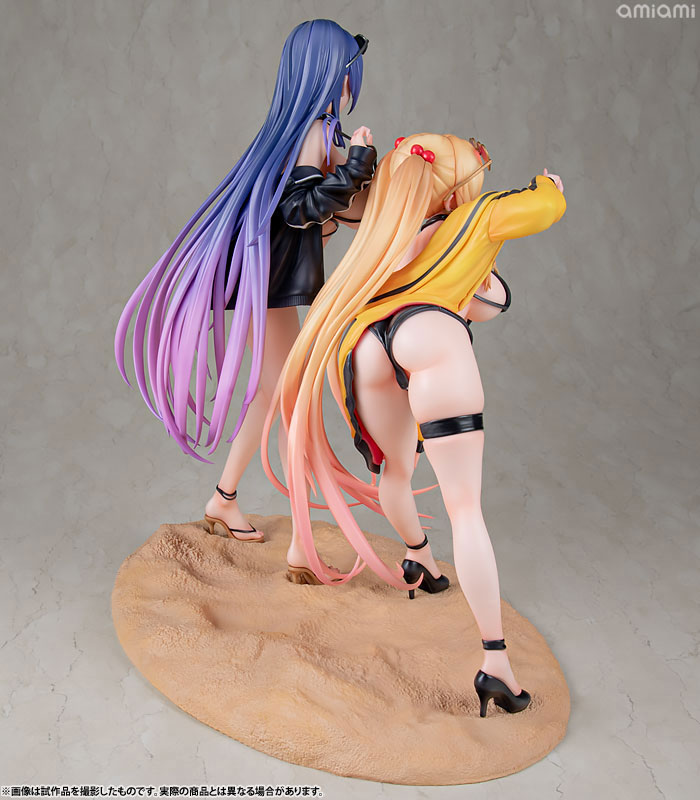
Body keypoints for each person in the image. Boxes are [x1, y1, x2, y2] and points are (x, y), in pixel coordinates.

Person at [264, 133, 566, 716]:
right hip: (429, 333)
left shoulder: (383, 228)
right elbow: (542, 210)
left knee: (396, 471)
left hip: (365, 344)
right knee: (465, 507)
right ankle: (496, 663)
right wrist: (550, 187)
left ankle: (418, 559)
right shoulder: (475, 218)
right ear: (454, 191)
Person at [114, 20, 376, 560]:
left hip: (272, 283)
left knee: (275, 392)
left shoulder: (317, 130)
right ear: (331, 73)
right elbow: (300, 208)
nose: (352, 83)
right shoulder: (311, 132)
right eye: (349, 72)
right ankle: (297, 537)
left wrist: (360, 171)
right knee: (289, 398)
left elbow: (338, 207)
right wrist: (354, 167)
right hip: (270, 283)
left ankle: (224, 499)